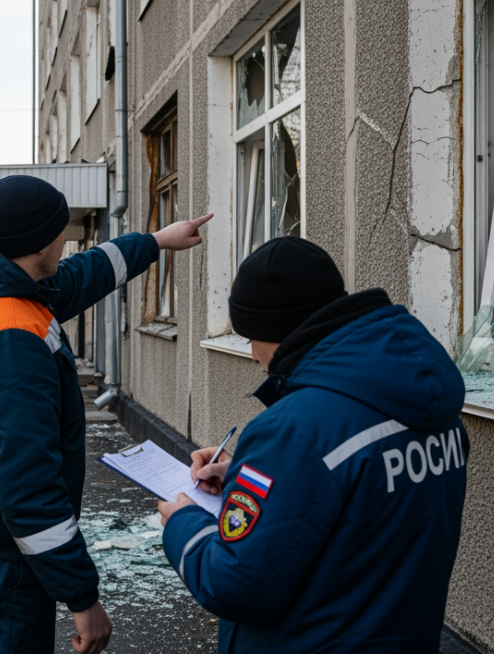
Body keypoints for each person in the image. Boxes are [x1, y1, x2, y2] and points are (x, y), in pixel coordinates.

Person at [0, 175, 211, 654]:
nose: (67, 239)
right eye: (61, 231)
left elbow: (81, 275)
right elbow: (27, 490)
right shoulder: (11, 342)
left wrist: (155, 242)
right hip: (6, 560)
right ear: (41, 242)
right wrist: (82, 598)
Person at [157, 236, 468, 653]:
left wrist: (183, 523)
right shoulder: (435, 410)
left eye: (251, 336)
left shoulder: (294, 430)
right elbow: (364, 503)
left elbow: (234, 584)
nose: (252, 355)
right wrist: (250, 473)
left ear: (281, 331)